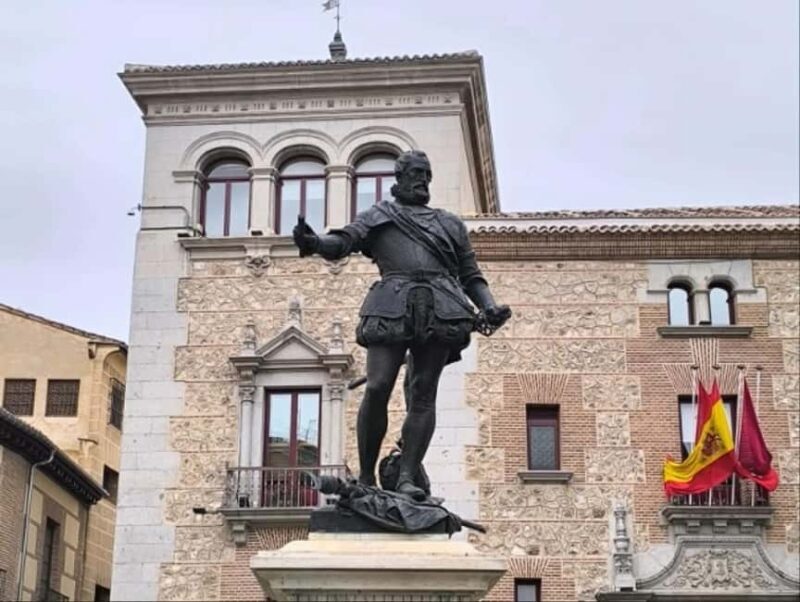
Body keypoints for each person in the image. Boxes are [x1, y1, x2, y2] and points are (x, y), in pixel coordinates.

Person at [293, 150, 510, 500]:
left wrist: (489, 306)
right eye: (415, 173)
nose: (422, 179)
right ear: (400, 177)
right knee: (378, 386)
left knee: (424, 395)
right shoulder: (380, 215)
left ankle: (408, 475)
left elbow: (471, 275)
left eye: (427, 173)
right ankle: (366, 476)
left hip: (440, 307)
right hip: (391, 304)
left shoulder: (449, 223)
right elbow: (344, 241)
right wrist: (315, 242)